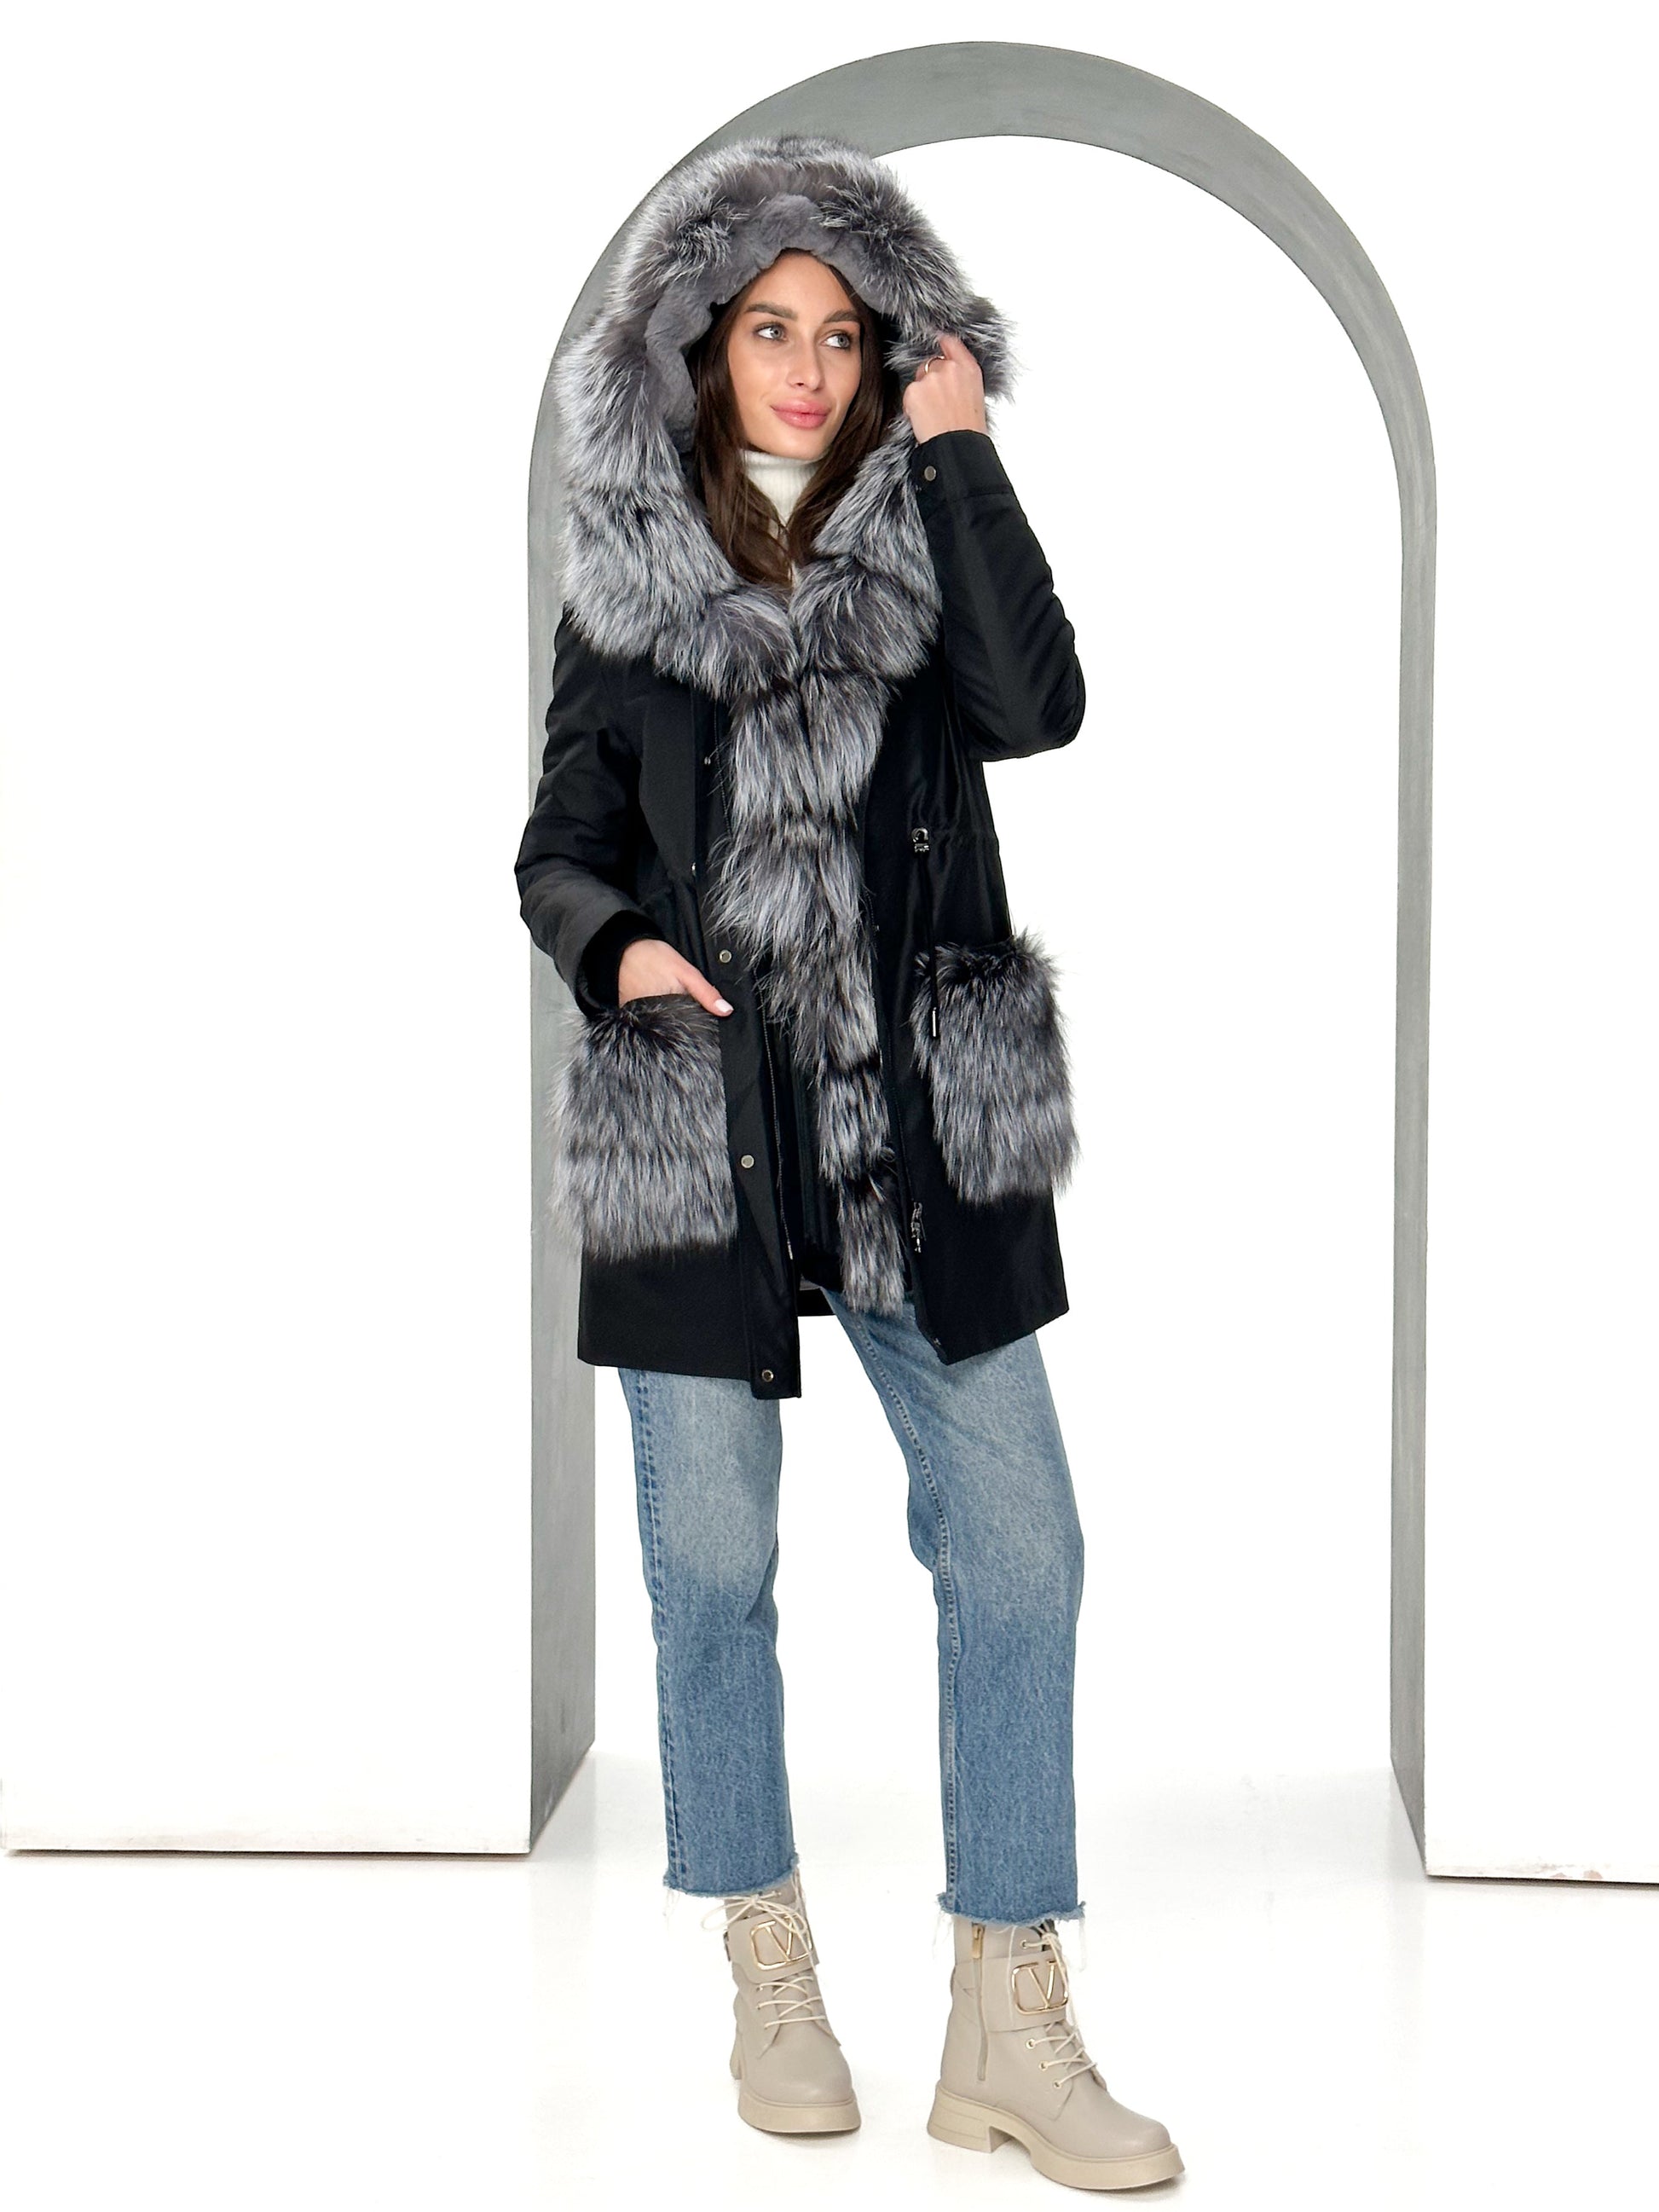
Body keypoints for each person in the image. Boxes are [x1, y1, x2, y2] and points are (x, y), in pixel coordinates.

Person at [514, 134, 1182, 2192]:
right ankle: (769, 1964)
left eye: (841, 334)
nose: (805, 368)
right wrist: (616, 951)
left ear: (892, 352)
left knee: (1023, 1545)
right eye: (767, 330)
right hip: (701, 1128)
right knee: (711, 1565)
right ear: (702, 351)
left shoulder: (922, 546)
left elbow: (1038, 705)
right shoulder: (630, 585)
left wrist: (961, 448)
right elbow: (560, 847)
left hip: (915, 1135)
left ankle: (1007, 2019)